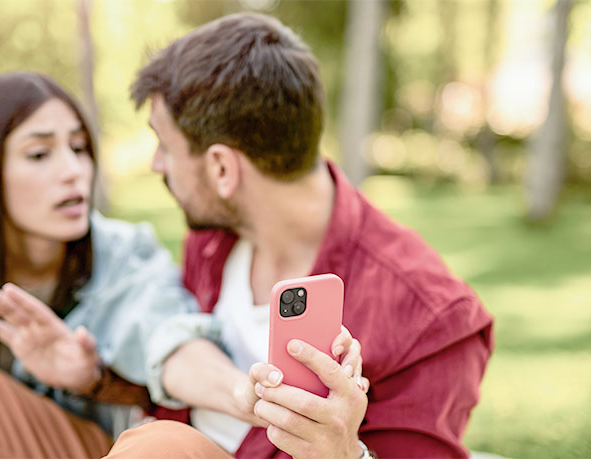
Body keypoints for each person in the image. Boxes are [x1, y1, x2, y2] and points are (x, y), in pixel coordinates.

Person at [126, 12, 495, 458]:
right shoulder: (211, 240)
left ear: (222, 168)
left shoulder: (429, 318)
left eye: (164, 145)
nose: (156, 164)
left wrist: (345, 454)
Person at [0, 71, 209, 456]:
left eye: (79, 148)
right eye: (40, 154)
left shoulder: (126, 256)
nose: (73, 171)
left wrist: (93, 378)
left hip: (107, 447)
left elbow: (171, 347)